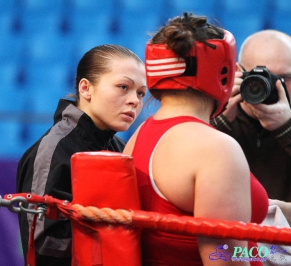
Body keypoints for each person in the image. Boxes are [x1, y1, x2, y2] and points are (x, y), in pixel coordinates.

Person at [123, 13, 268, 265]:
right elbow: (225, 259)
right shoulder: (216, 150)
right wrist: (276, 254)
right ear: (224, 72)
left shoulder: (138, 137)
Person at [16, 44, 146, 265]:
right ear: (85, 88)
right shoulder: (53, 149)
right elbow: (44, 244)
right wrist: (116, 235)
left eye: (141, 93)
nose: (135, 100)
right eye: (124, 87)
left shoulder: (120, 147)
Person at [211, 30, 291, 202]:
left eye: (284, 78)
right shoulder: (211, 114)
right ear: (239, 72)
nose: (273, 85)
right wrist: (218, 123)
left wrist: (287, 128)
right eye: (262, 76)